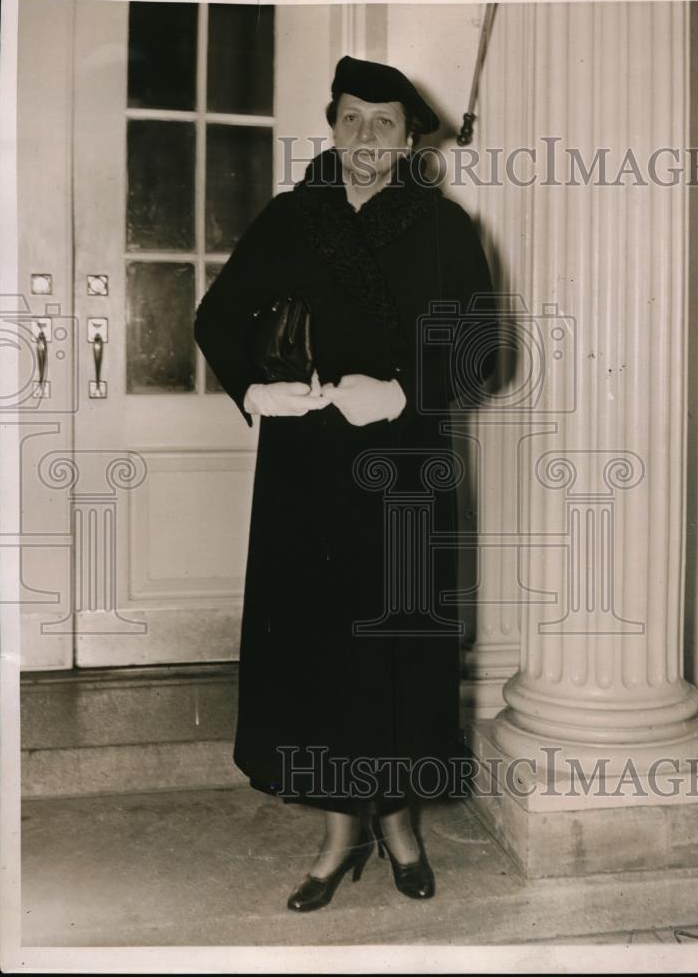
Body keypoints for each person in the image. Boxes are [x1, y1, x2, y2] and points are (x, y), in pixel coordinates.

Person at [194, 55, 494, 912]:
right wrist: (257, 385)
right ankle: (337, 835)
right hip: (307, 471)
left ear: (408, 141)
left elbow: (482, 350)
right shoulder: (292, 218)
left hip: (406, 470)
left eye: (385, 123)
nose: (366, 139)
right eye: (351, 119)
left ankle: (398, 825)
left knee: (398, 648)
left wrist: (402, 390)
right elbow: (218, 316)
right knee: (320, 651)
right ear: (332, 127)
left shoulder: (442, 227)